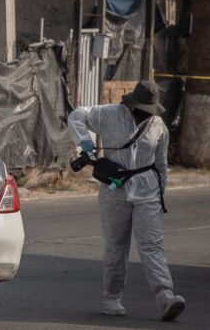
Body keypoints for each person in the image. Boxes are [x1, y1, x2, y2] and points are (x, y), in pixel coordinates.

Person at [67, 81, 185, 321]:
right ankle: (112, 299)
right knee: (116, 247)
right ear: (132, 105)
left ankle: (165, 297)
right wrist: (85, 144)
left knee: (152, 246)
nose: (145, 115)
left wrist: (160, 193)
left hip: (147, 192)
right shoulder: (110, 114)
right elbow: (77, 116)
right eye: (141, 110)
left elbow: (162, 166)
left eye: (149, 111)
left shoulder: (158, 126)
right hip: (114, 191)